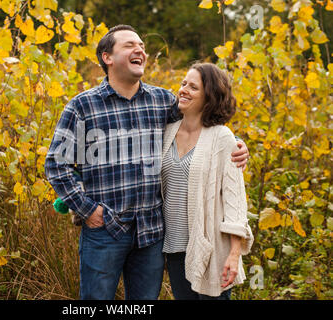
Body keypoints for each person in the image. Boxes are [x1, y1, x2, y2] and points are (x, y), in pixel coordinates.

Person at [45, 25, 249, 300]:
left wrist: (235, 143)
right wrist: (87, 210)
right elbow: (57, 164)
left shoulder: (162, 101)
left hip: (150, 234)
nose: (140, 49)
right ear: (107, 57)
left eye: (141, 45)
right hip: (105, 231)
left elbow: (203, 124)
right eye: (129, 45)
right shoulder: (83, 106)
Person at [161, 62, 254, 300]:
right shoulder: (167, 131)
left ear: (209, 97)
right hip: (174, 248)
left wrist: (234, 254)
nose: (183, 90)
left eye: (193, 87)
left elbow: (235, 202)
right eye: (183, 84)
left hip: (213, 249)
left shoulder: (222, 137)